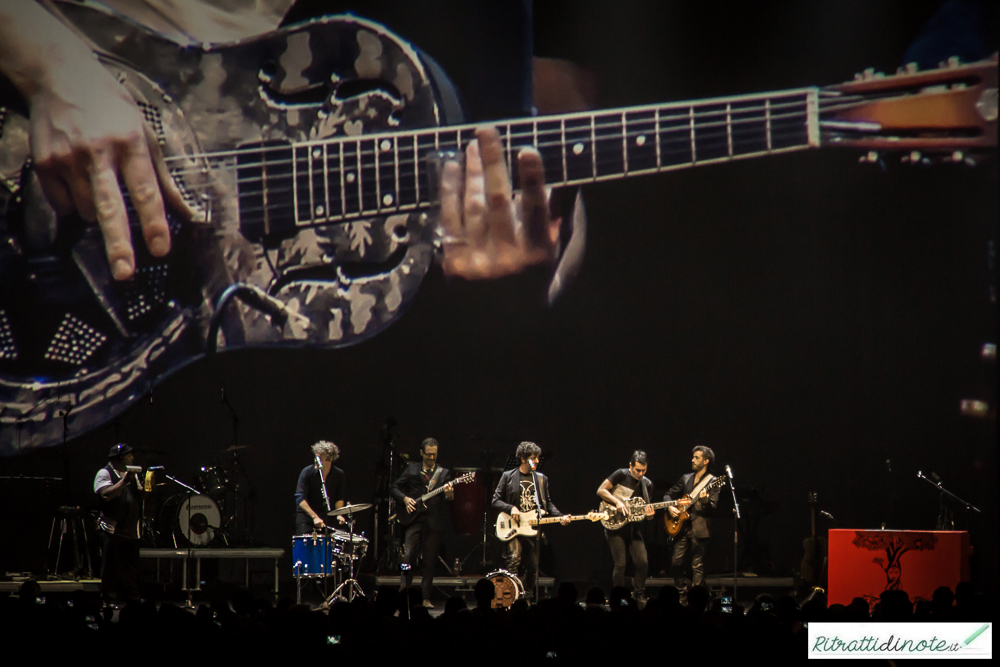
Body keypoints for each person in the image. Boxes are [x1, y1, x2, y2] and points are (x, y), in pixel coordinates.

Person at [491, 441, 570, 597]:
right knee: (513, 560)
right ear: (523, 459)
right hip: (513, 526)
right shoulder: (508, 476)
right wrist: (511, 508)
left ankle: (527, 594)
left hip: (532, 528)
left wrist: (560, 517)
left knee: (533, 566)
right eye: (534, 458)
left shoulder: (541, 479)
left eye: (538, 458)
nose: (538, 461)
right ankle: (510, 595)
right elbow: (495, 500)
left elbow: (548, 504)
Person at [390, 437, 454, 608]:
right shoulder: (411, 470)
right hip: (414, 520)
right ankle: (404, 592)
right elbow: (394, 487)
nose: (432, 458)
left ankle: (425, 597)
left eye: (434, 455)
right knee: (407, 556)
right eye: (428, 455)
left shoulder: (444, 473)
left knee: (429, 561)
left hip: (434, 523)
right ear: (421, 453)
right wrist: (404, 499)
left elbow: (450, 499)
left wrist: (449, 494)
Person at [596, 450, 654, 607]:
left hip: (633, 528)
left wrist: (650, 515)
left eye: (644, 470)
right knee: (620, 564)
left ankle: (639, 595)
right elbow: (601, 490)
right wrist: (617, 502)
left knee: (642, 562)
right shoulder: (621, 474)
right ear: (631, 466)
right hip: (615, 527)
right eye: (637, 470)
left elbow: (646, 514)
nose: (641, 474)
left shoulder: (647, 484)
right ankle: (618, 597)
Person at [666, 445, 721, 604]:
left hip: (699, 527)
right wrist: (670, 507)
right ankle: (681, 596)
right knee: (676, 562)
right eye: (693, 457)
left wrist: (704, 501)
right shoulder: (685, 478)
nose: (693, 460)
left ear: (706, 461)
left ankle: (696, 601)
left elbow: (712, 507)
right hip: (681, 527)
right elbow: (668, 494)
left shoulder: (713, 481)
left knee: (697, 566)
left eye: (697, 457)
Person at [93, 442, 144, 602]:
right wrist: (124, 482)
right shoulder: (104, 473)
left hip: (130, 529)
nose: (132, 457)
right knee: (111, 567)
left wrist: (149, 487)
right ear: (120, 457)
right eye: (129, 455)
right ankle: (108, 599)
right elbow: (106, 495)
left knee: (130, 568)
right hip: (112, 529)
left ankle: (131, 599)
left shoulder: (132, 474)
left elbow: (138, 496)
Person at [294, 440, 345, 535]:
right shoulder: (307, 472)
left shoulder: (338, 475)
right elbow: (300, 498)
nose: (316, 461)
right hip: (307, 518)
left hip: (326, 518)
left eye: (320, 458)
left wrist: (339, 514)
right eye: (316, 457)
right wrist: (314, 517)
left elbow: (339, 497)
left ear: (330, 460)